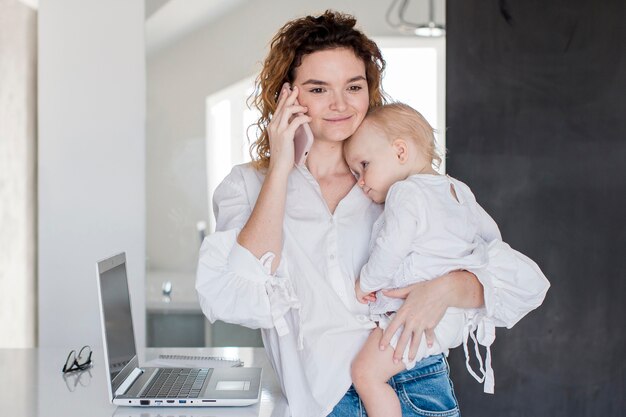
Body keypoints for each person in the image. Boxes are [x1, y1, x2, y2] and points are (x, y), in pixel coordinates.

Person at [196, 10, 550, 417]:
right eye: (318, 89)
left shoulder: (406, 182)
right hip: (323, 400)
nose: (340, 104)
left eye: (353, 86)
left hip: (416, 383)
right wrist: (279, 168)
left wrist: (446, 288)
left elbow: (517, 282)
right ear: (286, 95)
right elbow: (236, 297)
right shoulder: (246, 186)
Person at [344, 103, 503, 417]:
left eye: (364, 166)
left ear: (400, 151)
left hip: (412, 322)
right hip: (450, 318)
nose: (360, 181)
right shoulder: (460, 190)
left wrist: (365, 283)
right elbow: (493, 238)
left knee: (366, 374)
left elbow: (391, 247)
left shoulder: (405, 192)